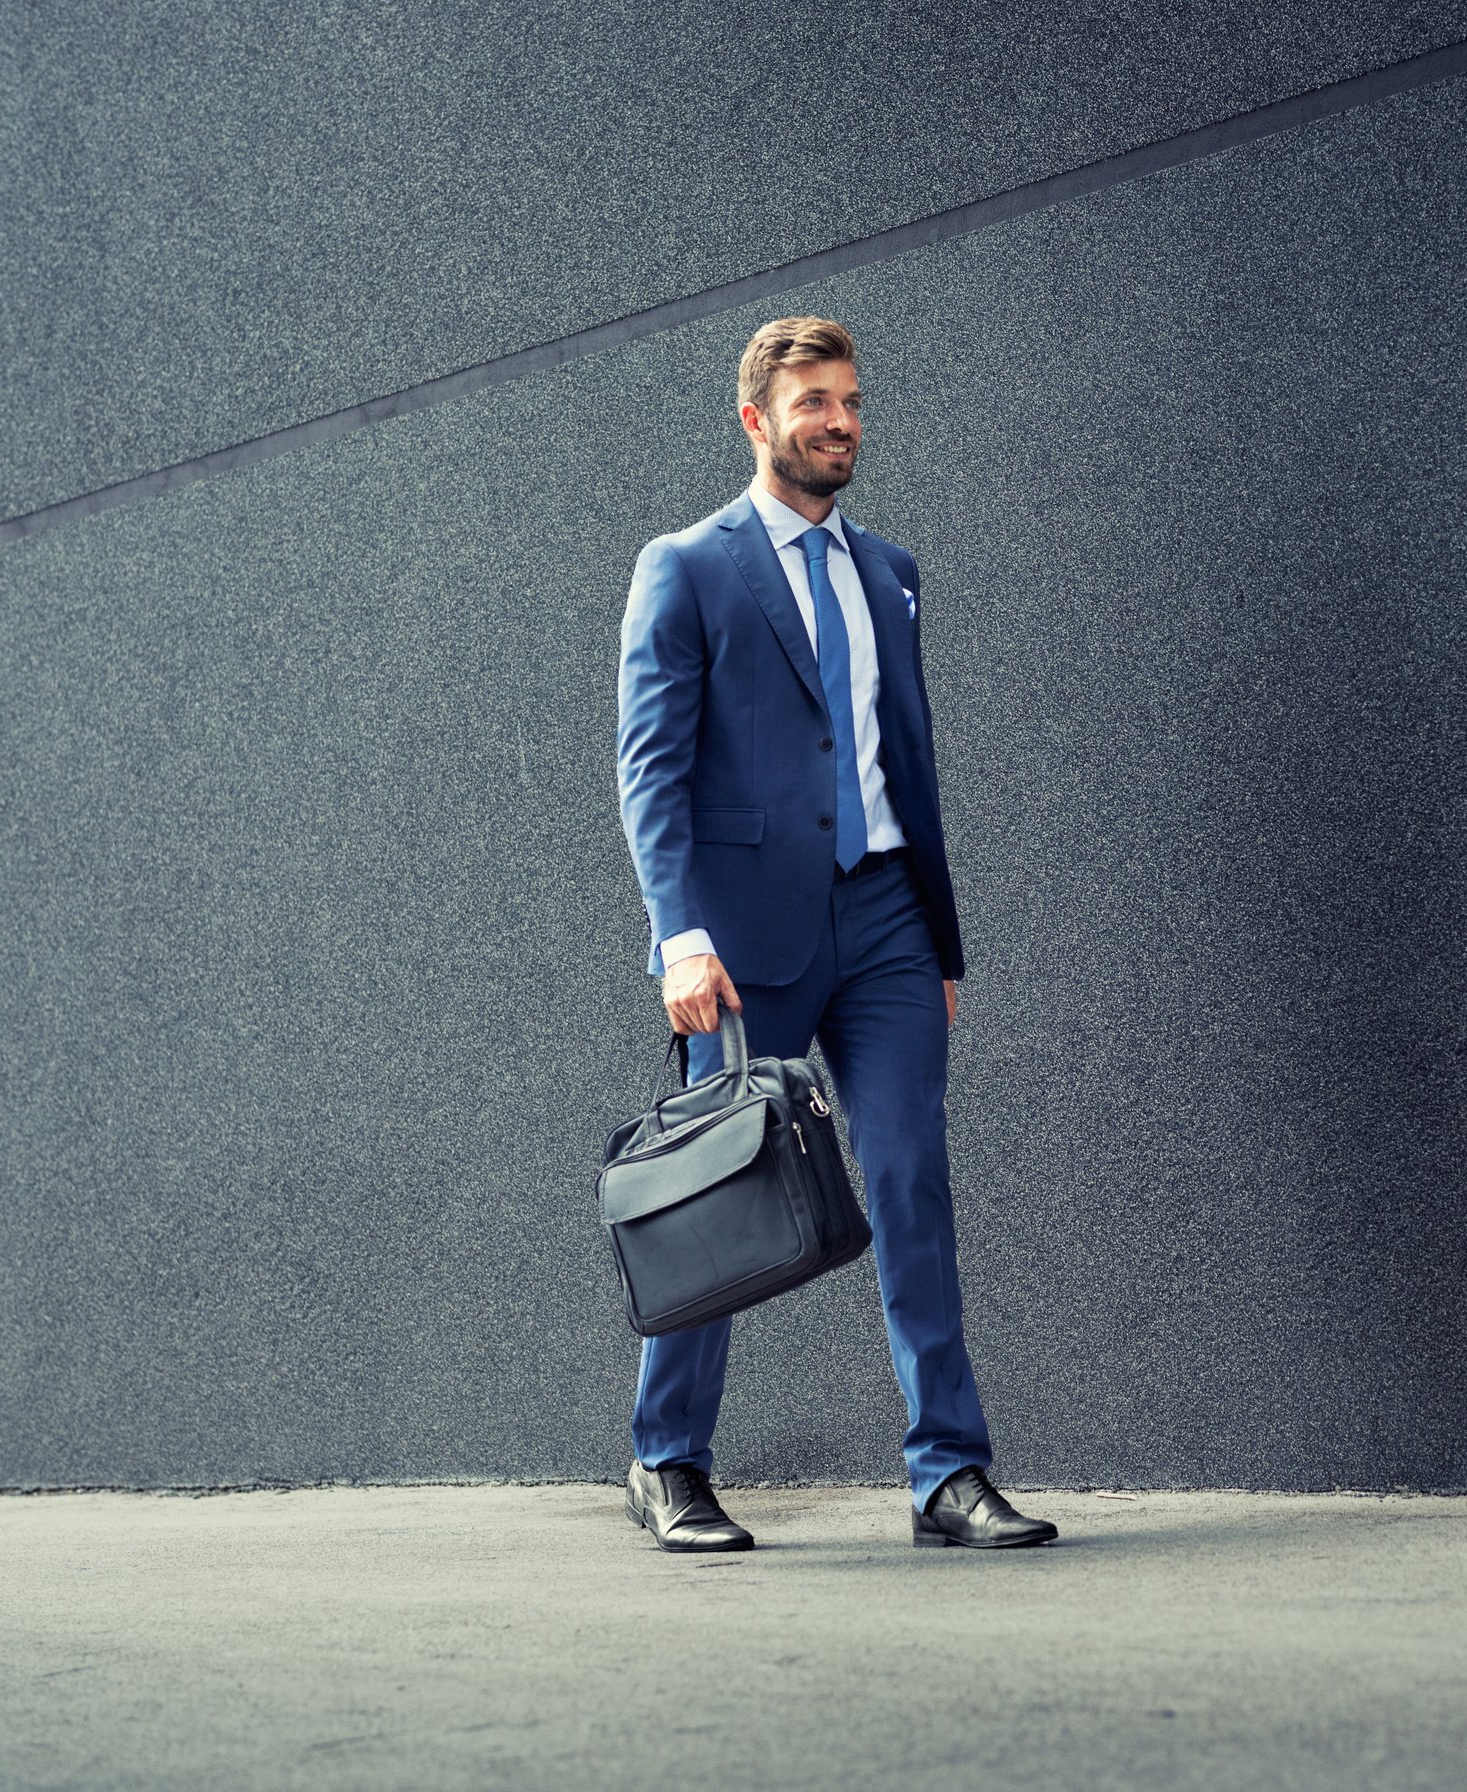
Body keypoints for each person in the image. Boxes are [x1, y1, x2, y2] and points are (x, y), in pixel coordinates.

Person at [612, 316, 1056, 1553]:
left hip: (889, 919)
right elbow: (650, 770)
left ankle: (948, 1471)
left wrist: (941, 941)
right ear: (756, 419)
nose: (840, 422)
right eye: (814, 402)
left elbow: (906, 760)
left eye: (851, 401)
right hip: (743, 938)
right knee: (718, 1191)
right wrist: (678, 935)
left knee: (912, 1178)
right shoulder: (688, 566)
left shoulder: (890, 571)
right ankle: (666, 1458)